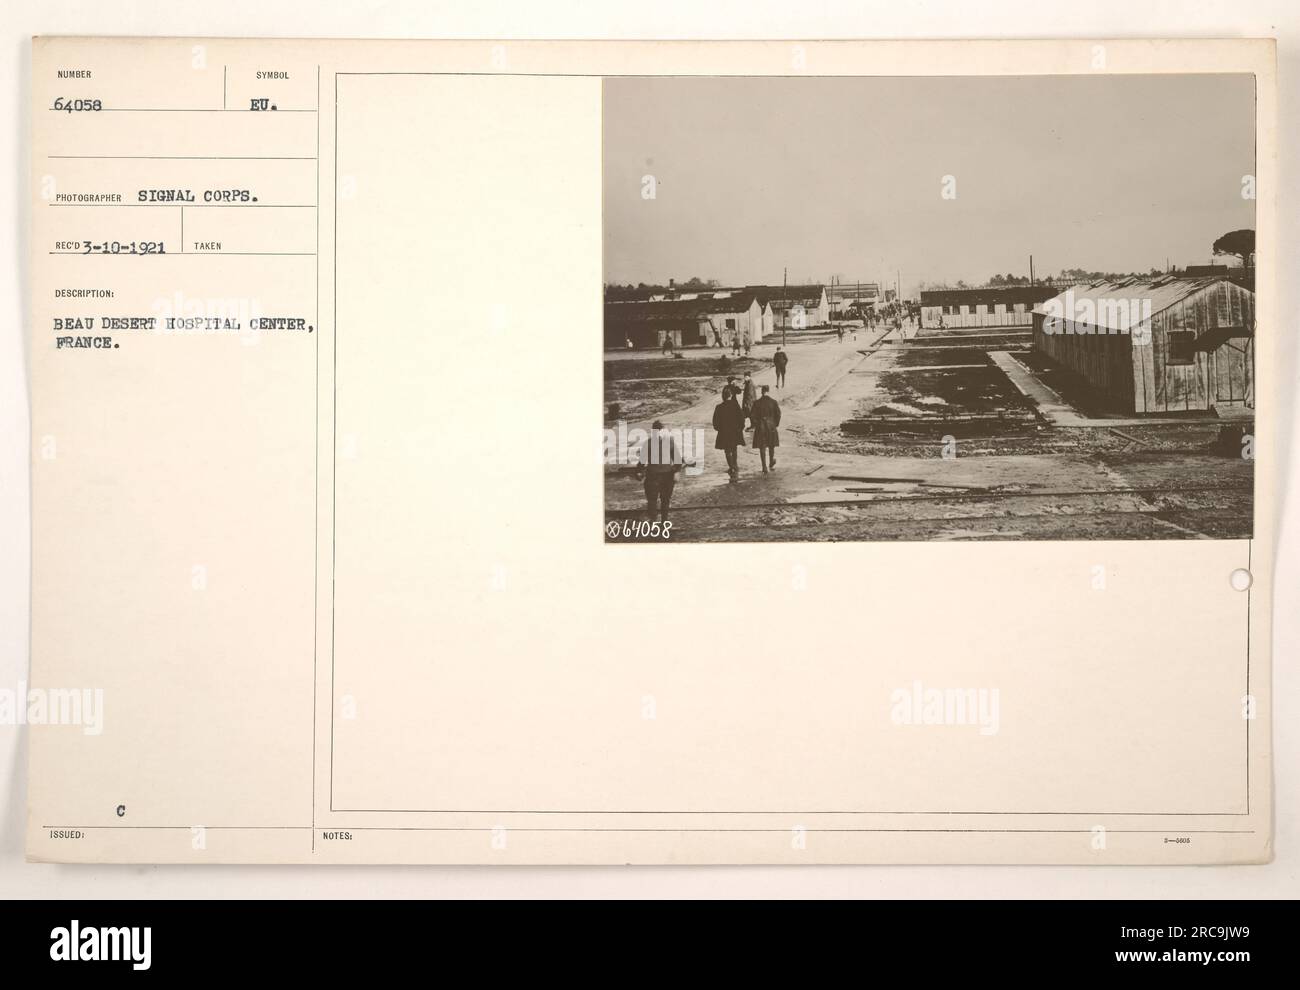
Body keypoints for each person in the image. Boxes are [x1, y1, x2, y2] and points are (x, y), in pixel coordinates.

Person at [635, 419, 684, 523]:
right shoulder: (668, 442)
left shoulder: (648, 443)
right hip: (664, 476)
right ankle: (662, 521)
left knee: (654, 501)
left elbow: (641, 463)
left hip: (656, 476)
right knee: (663, 500)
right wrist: (676, 471)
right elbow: (678, 461)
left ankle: (655, 521)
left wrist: (639, 472)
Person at [712, 387, 746, 483]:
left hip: (724, 433)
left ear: (723, 396)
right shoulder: (735, 405)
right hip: (735, 432)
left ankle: (731, 467)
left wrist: (720, 429)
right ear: (731, 395)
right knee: (734, 448)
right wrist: (740, 428)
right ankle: (735, 465)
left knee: (727, 451)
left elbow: (715, 422)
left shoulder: (719, 407)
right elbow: (742, 418)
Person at [750, 385, 781, 472]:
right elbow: (778, 414)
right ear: (768, 391)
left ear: (762, 392)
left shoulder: (757, 403)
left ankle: (764, 467)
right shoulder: (773, 402)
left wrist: (757, 424)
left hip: (761, 426)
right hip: (771, 426)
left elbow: (752, 415)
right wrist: (775, 424)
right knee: (771, 445)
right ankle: (771, 462)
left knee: (762, 447)